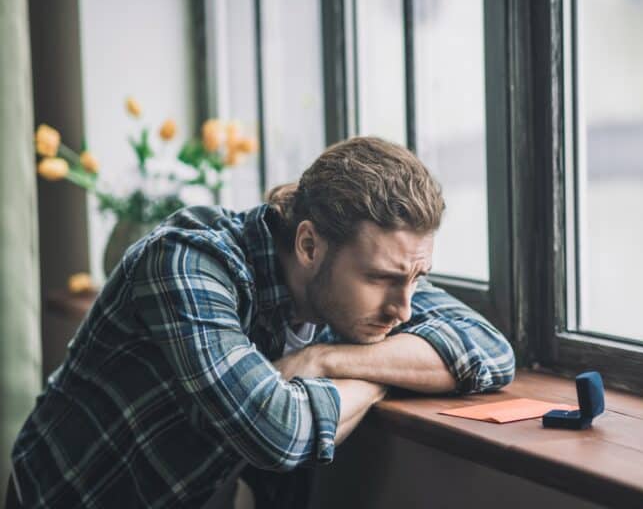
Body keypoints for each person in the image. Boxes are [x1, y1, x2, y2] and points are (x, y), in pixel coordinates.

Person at [9, 136, 515, 508]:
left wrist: (327, 358)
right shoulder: (186, 261)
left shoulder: (376, 271)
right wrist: (379, 379)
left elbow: (490, 351)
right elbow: (277, 432)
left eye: (417, 278)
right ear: (310, 245)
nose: (403, 308)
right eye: (382, 279)